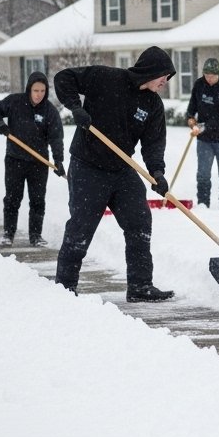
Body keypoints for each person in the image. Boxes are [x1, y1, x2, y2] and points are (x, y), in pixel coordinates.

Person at [52, 46, 176, 303]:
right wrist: (76, 108)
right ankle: (64, 289)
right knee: (81, 227)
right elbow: (64, 78)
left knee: (140, 221)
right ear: (150, 71)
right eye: (163, 76)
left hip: (121, 168)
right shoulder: (106, 77)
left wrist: (157, 172)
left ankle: (140, 286)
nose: (165, 82)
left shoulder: (152, 104)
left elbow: (153, 143)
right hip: (88, 165)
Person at [0, 72, 66, 247]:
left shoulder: (49, 111)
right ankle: (8, 233)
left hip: (39, 163)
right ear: (29, 89)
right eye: (35, 90)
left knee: (37, 200)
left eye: (43, 91)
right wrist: (0, 124)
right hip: (15, 159)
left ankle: (36, 236)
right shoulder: (15, 102)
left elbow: (56, 138)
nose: (39, 94)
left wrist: (58, 161)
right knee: (12, 198)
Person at [185, 57, 219, 209]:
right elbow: (192, 107)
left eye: (211, 76)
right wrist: (190, 119)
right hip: (204, 140)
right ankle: (203, 203)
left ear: (218, 74)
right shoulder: (199, 85)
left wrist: (205, 126)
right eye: (206, 76)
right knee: (202, 174)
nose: (208, 79)